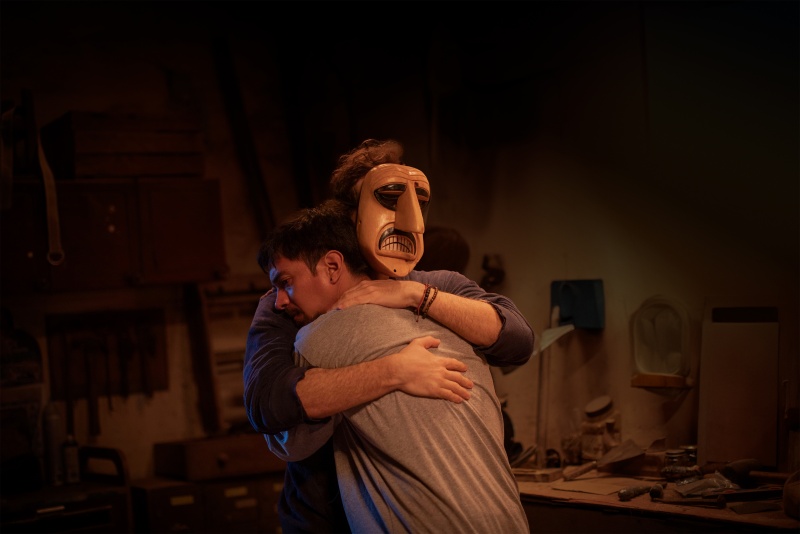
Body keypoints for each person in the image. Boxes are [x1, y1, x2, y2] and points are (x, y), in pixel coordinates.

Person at [244, 139, 535, 532]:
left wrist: (417, 295)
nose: (410, 219)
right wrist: (394, 370)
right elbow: (267, 404)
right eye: (387, 199)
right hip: (326, 513)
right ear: (350, 217)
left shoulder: (436, 285)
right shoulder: (289, 304)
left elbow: (517, 340)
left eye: (418, 201)